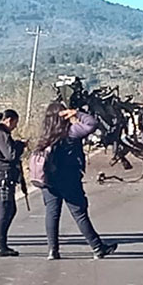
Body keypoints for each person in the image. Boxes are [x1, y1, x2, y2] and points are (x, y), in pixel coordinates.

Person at [35, 102, 117, 260]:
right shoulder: (71, 132)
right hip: (69, 178)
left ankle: (53, 250)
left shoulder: (45, 135)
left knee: (52, 214)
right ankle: (97, 247)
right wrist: (76, 113)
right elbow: (92, 123)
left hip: (49, 179)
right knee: (79, 214)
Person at [0, 109, 25, 257]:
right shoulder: (0, 134)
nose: (15, 127)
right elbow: (10, 155)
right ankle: (0, 244)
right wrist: (20, 146)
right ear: (9, 120)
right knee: (5, 209)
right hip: (2, 174)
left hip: (2, 174)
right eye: (15, 123)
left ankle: (2, 243)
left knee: (10, 209)